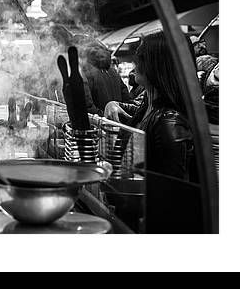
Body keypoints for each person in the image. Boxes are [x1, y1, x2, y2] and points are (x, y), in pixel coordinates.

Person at [103, 32, 202, 233]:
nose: (134, 61)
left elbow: (172, 198)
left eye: (141, 56)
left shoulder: (169, 122)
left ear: (159, 64)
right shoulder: (149, 105)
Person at [76, 36, 131, 115]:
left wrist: (105, 118)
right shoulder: (113, 71)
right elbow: (126, 98)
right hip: (119, 122)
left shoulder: (84, 71)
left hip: (100, 124)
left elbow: (87, 107)